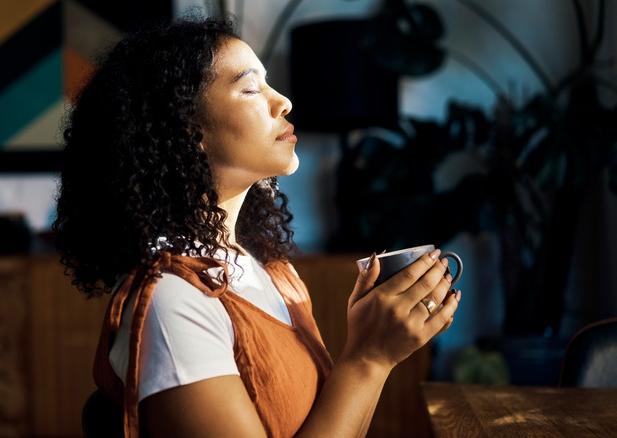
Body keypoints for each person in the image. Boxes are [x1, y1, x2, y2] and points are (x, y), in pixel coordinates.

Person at [53, 15, 461, 438]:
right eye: (251, 88)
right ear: (187, 130)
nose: (283, 101)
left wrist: (373, 351)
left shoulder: (271, 270)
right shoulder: (172, 303)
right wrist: (369, 359)